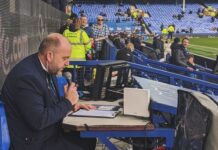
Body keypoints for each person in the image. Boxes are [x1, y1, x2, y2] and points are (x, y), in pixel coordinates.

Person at [1, 33, 96, 150]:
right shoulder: (27, 77)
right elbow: (38, 121)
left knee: (88, 139)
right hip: (33, 143)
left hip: (48, 135)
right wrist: (67, 102)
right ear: (50, 56)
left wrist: (71, 105)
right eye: (65, 58)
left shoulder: (47, 68)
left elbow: (47, 104)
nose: (68, 63)